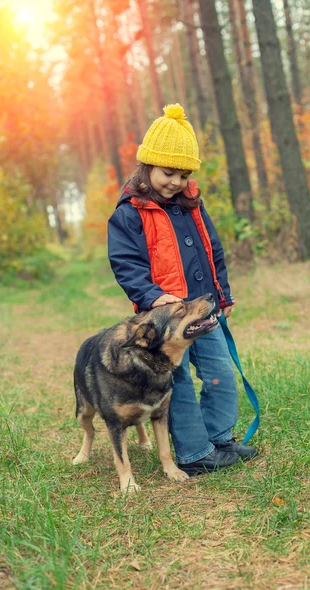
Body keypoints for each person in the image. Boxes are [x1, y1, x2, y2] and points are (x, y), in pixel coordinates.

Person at [107, 104, 257, 476]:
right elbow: (126, 263)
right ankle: (193, 453)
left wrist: (222, 295)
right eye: (167, 172)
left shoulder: (192, 204)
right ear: (148, 167)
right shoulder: (130, 212)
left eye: (183, 173)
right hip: (167, 319)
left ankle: (221, 437)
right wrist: (154, 296)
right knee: (179, 384)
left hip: (204, 312)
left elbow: (213, 251)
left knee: (220, 370)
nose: (175, 181)